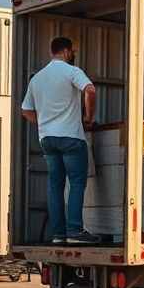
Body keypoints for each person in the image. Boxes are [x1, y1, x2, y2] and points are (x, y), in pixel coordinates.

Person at [21, 37, 99, 244]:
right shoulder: (72, 71)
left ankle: (58, 235)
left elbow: (25, 110)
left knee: (54, 185)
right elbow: (90, 90)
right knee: (76, 183)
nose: (73, 54)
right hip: (71, 137)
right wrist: (88, 118)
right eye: (73, 51)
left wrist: (44, 123)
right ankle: (74, 231)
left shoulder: (37, 78)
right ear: (65, 52)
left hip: (47, 139)